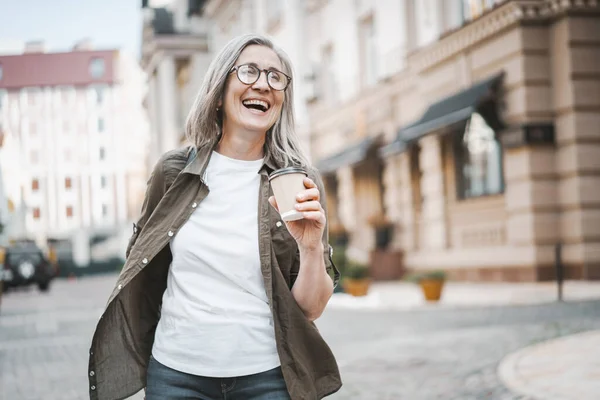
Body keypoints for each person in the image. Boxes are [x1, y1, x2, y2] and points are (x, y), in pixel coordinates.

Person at [87, 34, 341, 400]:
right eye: (250, 71)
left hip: (268, 378)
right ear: (220, 89)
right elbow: (141, 269)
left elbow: (311, 308)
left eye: (275, 77)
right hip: (177, 377)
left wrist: (312, 247)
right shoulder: (174, 172)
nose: (262, 84)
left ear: (283, 99)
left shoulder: (298, 182)